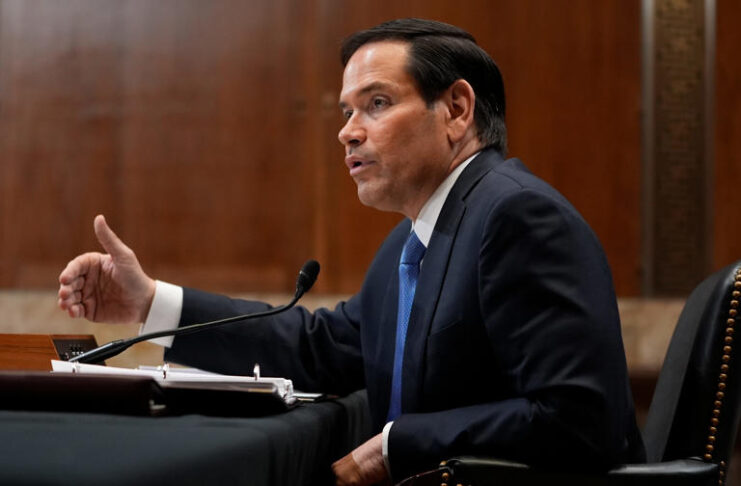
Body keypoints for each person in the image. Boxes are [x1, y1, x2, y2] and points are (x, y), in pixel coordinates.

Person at [58, 18, 645, 486]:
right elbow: (322, 348)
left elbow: (579, 419)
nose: (348, 131)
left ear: (457, 110)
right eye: (347, 112)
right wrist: (150, 303)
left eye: (377, 104)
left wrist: (397, 446)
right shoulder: (413, 241)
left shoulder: (517, 217)